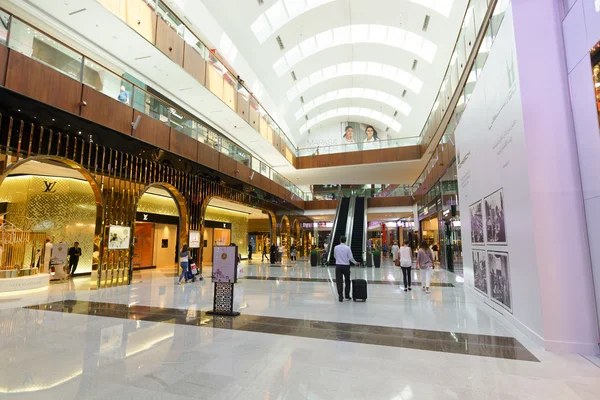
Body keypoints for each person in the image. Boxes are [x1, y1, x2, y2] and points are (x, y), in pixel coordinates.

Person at [333, 236, 360, 302]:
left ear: (340, 240)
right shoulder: (348, 248)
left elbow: (335, 256)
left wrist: (339, 260)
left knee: (339, 281)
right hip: (346, 266)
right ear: (345, 241)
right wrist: (355, 262)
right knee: (347, 280)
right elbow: (350, 258)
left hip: (338, 266)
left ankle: (340, 296)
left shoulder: (336, 247)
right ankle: (347, 295)